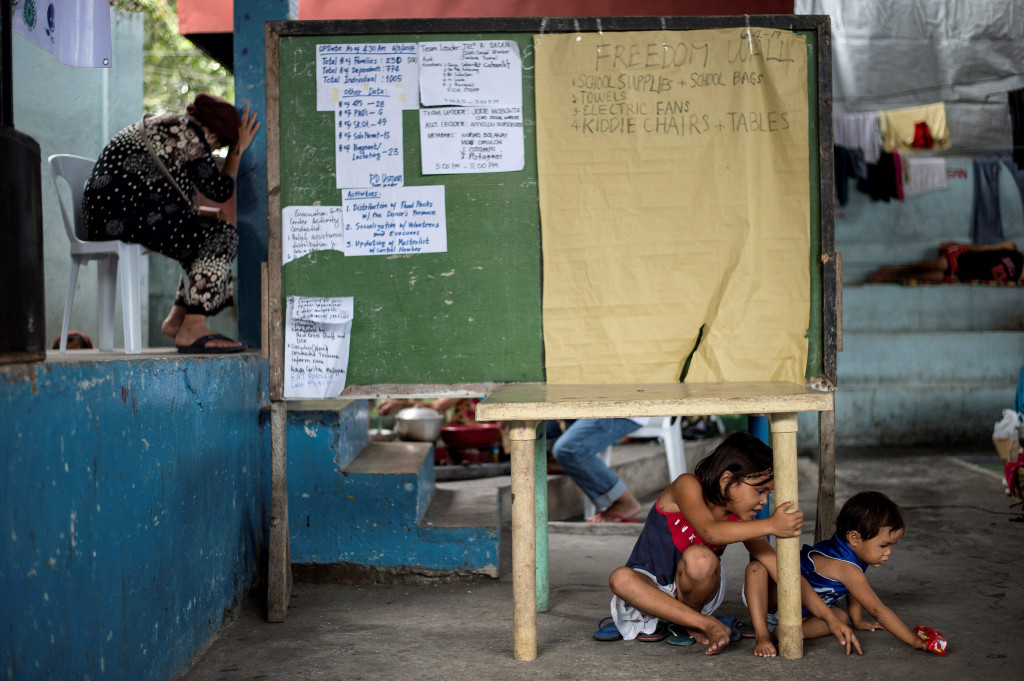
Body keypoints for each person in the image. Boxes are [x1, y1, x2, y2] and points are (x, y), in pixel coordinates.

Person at [601, 433, 858, 655]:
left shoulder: (743, 520)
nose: (763, 501)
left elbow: (782, 571)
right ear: (726, 480)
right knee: (621, 578)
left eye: (768, 493)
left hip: (693, 593)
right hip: (648, 588)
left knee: (700, 559)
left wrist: (828, 617)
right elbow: (710, 532)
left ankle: (694, 621)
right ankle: (703, 623)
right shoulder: (687, 485)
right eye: (759, 491)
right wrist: (771, 525)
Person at [83, 93, 260, 353]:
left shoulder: (167, 125)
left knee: (199, 236)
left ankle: (178, 319)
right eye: (218, 145)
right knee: (223, 235)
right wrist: (236, 152)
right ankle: (193, 326)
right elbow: (219, 190)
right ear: (211, 133)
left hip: (105, 214)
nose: (212, 151)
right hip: (120, 214)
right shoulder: (189, 132)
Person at [744, 490, 927, 657]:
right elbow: (878, 610)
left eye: (892, 545)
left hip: (804, 613)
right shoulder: (846, 567)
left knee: (841, 617)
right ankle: (763, 634)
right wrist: (913, 640)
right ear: (854, 538)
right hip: (768, 603)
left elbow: (854, 588)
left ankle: (789, 632)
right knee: (756, 569)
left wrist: (857, 620)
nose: (888, 552)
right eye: (884, 545)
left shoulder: (857, 556)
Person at [550, 418, 648, 522]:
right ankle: (556, 458)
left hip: (621, 410)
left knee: (569, 449)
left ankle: (624, 501)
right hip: (588, 406)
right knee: (539, 417)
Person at [868, 240, 1023, 284]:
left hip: (967, 274)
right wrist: (956, 243)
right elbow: (981, 248)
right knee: (941, 265)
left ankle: (891, 278)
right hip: (966, 258)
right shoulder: (1012, 248)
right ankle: (895, 270)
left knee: (936, 276)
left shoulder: (1021, 279)